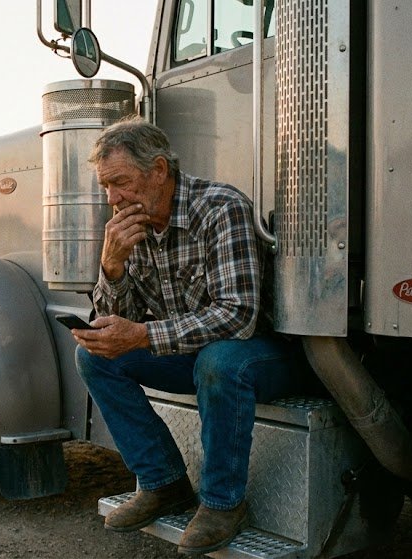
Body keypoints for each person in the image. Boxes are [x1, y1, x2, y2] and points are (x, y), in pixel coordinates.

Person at [70, 117, 296, 555]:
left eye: (120, 183)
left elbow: (238, 316)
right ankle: (163, 483)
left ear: (158, 171)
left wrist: (142, 335)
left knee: (220, 361)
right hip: (194, 352)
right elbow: (119, 325)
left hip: (263, 355)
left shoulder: (219, 208)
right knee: (94, 358)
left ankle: (222, 504)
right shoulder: (131, 227)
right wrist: (112, 267)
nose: (113, 199)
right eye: (105, 188)